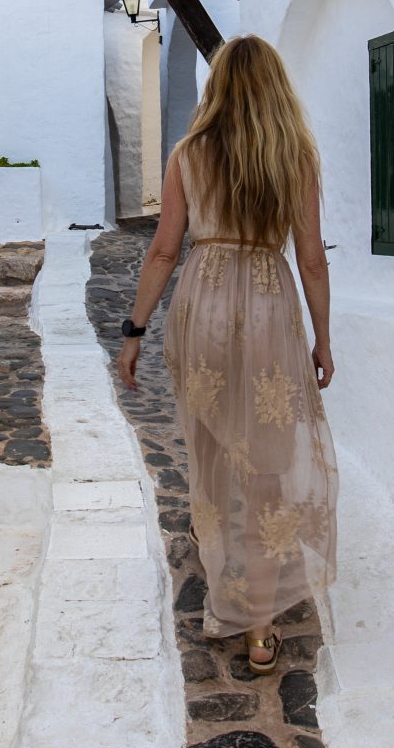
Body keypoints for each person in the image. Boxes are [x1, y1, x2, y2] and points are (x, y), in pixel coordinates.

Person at [117, 35, 338, 674]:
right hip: (269, 300)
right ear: (276, 88)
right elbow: (313, 259)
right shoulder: (295, 156)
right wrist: (322, 338)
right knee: (267, 460)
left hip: (203, 302)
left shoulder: (189, 154)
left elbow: (163, 250)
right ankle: (260, 623)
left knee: (210, 445)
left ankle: (216, 558)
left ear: (218, 89)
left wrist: (134, 331)